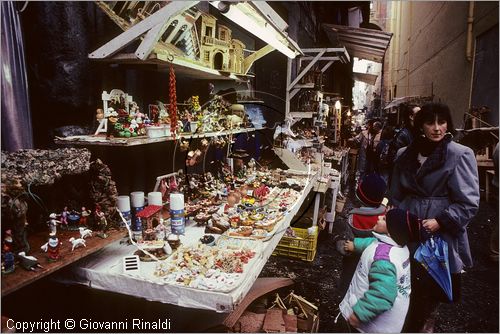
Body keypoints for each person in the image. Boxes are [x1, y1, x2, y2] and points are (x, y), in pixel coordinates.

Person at [388, 102, 480, 332]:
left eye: (442, 121)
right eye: (430, 122)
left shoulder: (459, 154)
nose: (437, 128)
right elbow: (395, 194)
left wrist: (441, 221)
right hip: (408, 230)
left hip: (440, 237)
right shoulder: (404, 154)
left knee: (430, 292)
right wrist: (392, 219)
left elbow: (469, 202)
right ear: (420, 125)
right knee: (402, 286)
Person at [338, 208, 419, 333]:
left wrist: (360, 314)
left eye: (384, 219)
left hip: (371, 325)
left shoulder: (384, 260)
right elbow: (372, 243)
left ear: (391, 233)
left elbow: (382, 295)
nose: (379, 217)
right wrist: (355, 245)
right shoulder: (398, 247)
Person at [336, 173, 387, 295]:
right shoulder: (385, 218)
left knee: (348, 285)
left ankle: (344, 304)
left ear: (360, 197)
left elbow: (345, 247)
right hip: (377, 264)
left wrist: (338, 240)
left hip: (353, 263)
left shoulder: (353, 218)